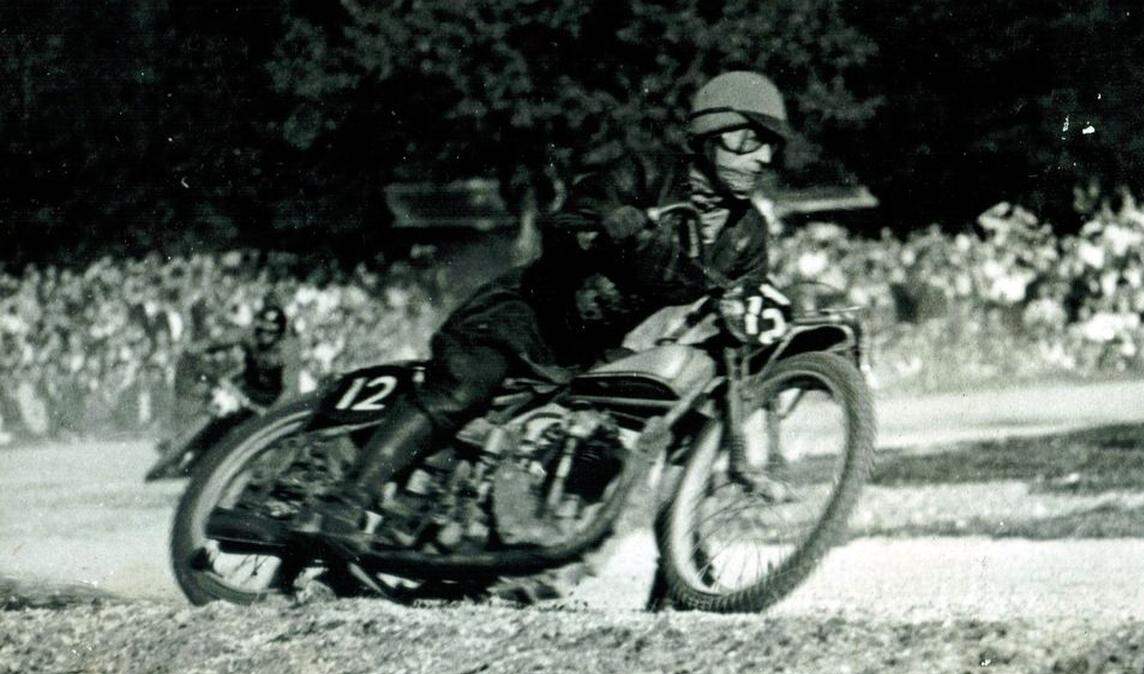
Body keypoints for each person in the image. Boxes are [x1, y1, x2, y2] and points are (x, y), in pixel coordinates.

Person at [301, 71, 794, 554]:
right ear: (709, 137)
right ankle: (347, 501)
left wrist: (753, 317)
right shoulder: (644, 173)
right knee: (462, 388)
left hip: (589, 351)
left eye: (769, 146)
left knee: (610, 438)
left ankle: (550, 550)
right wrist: (605, 229)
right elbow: (563, 227)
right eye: (748, 141)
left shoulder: (745, 233)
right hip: (527, 315)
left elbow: (749, 299)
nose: (762, 158)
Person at [148, 304, 302, 480]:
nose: (264, 335)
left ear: (281, 332)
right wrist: (196, 348)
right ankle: (179, 447)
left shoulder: (289, 349)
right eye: (262, 330)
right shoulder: (250, 334)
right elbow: (221, 341)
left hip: (273, 400)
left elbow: (290, 389)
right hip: (247, 389)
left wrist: (272, 414)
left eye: (271, 332)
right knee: (213, 411)